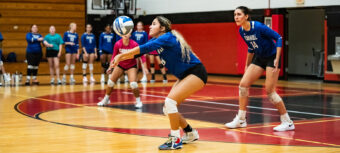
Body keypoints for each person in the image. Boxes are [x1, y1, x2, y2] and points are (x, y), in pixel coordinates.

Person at [110, 16, 207, 150]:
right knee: (167, 108)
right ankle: (190, 132)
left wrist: (120, 56)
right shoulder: (159, 40)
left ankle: (175, 139)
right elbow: (138, 53)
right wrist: (119, 58)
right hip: (184, 75)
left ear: (162, 28)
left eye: (153, 24)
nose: (149, 26)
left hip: (195, 72)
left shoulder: (166, 37)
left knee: (170, 102)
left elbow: (143, 48)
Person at [225, 6, 294, 132]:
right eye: (235, 14)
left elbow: (278, 38)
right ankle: (241, 119)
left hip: (272, 57)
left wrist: (277, 58)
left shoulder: (258, 26)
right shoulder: (242, 31)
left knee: (270, 92)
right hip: (260, 57)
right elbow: (251, 48)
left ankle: (287, 122)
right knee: (243, 85)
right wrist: (247, 65)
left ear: (246, 16)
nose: (236, 17)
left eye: (239, 14)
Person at [97, 32, 143, 108]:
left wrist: (140, 69)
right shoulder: (118, 44)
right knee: (111, 82)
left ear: (130, 35)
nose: (125, 34)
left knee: (133, 84)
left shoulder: (134, 44)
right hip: (120, 65)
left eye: (127, 33)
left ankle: (138, 101)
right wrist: (110, 67)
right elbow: (114, 56)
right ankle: (106, 99)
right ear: (121, 35)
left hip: (131, 65)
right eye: (124, 33)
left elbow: (140, 57)